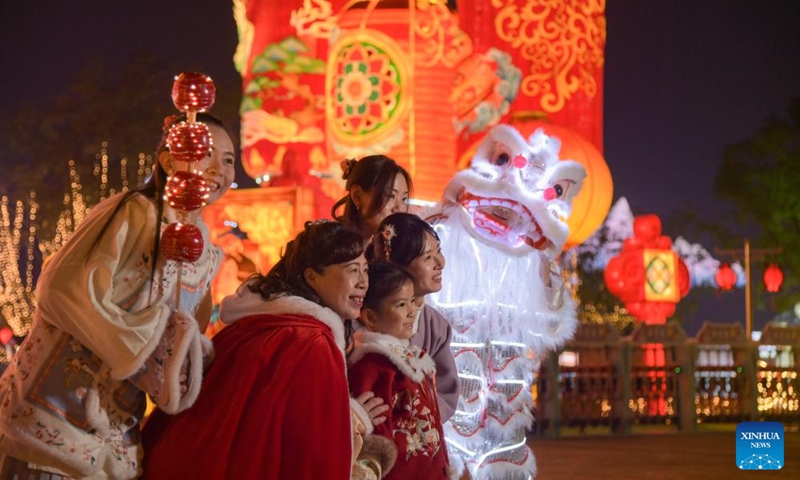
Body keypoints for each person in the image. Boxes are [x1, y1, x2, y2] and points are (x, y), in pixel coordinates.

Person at [0, 113, 236, 479]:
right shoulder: (135, 211)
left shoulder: (206, 253)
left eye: (228, 159)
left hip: (117, 436)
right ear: (169, 159)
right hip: (51, 421)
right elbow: (63, 289)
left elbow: (183, 338)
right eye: (205, 152)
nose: (218, 168)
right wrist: (142, 351)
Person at [141, 221, 395, 480]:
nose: (363, 282)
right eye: (352, 270)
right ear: (312, 277)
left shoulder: (257, 323)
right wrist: (349, 421)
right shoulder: (312, 342)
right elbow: (311, 455)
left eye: (365, 270)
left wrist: (345, 412)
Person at [348, 262, 450, 480]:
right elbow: (376, 435)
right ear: (371, 317)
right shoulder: (373, 367)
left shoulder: (411, 359)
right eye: (401, 305)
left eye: (412, 302)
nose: (412, 311)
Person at [367, 212, 459, 423]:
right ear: (397, 266)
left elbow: (446, 393)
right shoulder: (365, 316)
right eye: (428, 257)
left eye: (439, 251)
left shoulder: (436, 326)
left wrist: (418, 422)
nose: (441, 262)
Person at [331, 155, 412, 240]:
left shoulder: (393, 248)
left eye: (404, 199)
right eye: (390, 196)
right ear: (357, 196)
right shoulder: (326, 244)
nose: (399, 209)